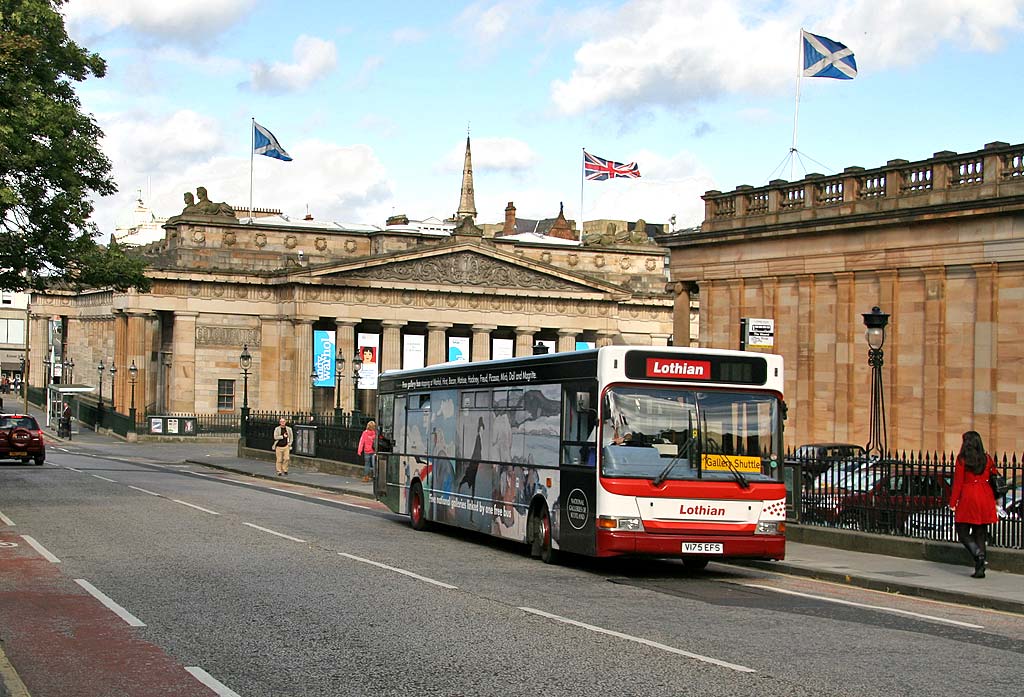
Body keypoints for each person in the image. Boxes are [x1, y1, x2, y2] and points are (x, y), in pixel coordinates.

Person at [949, 430, 1000, 578]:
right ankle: (980, 568)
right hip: (985, 496)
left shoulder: (962, 460)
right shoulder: (987, 459)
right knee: (980, 533)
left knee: (962, 531)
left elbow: (958, 484)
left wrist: (953, 502)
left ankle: (977, 554)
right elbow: (994, 476)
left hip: (968, 496)